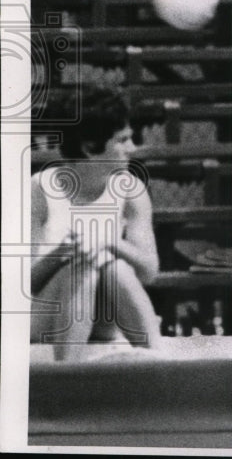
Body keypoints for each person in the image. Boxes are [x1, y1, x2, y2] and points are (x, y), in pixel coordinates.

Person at [31, 86, 161, 360]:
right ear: (90, 148)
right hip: (46, 315)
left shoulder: (131, 190)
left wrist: (108, 242)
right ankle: (67, 381)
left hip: (104, 314)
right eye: (122, 140)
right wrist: (62, 253)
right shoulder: (41, 189)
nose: (132, 148)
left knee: (114, 267)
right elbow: (23, 282)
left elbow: (149, 271)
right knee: (84, 267)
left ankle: (160, 364)